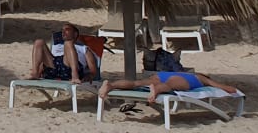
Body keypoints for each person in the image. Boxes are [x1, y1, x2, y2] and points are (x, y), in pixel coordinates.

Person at [99, 70, 240, 103]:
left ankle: (110, 85)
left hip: (162, 74)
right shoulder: (200, 78)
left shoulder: (185, 72)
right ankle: (156, 90)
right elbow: (225, 87)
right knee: (169, 86)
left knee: (137, 83)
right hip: (183, 80)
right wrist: (235, 90)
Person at [26, 22, 100, 83]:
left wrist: (89, 76)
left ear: (75, 34)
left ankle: (75, 76)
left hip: (70, 69)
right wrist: (40, 70)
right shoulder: (57, 45)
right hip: (54, 67)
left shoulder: (84, 48)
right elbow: (47, 58)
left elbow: (93, 71)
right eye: (62, 30)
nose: (63, 32)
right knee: (39, 42)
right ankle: (35, 73)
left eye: (67, 29)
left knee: (68, 43)